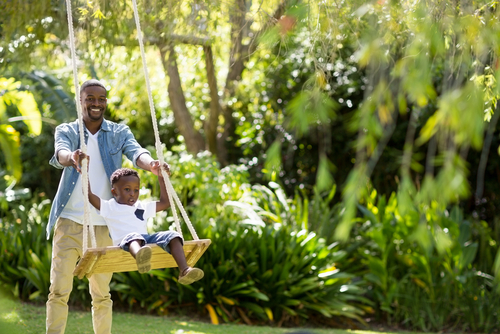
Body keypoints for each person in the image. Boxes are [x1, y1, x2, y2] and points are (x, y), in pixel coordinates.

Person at [46, 79, 168, 334]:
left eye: (101, 99)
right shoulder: (67, 129)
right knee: (58, 290)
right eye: (90, 98)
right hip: (69, 220)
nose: (96, 104)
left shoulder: (118, 132)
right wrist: (73, 157)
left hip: (103, 223)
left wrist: (150, 165)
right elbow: (60, 153)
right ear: (80, 101)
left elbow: (136, 152)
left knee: (102, 294)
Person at [85, 162, 204, 283]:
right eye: (127, 189)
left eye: (136, 190)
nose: (132, 193)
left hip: (145, 240)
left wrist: (161, 177)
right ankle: (140, 257)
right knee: (134, 236)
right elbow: (89, 196)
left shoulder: (141, 206)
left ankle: (184, 270)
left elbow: (165, 203)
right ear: (114, 192)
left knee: (173, 235)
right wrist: (84, 172)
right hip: (125, 242)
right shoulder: (109, 207)